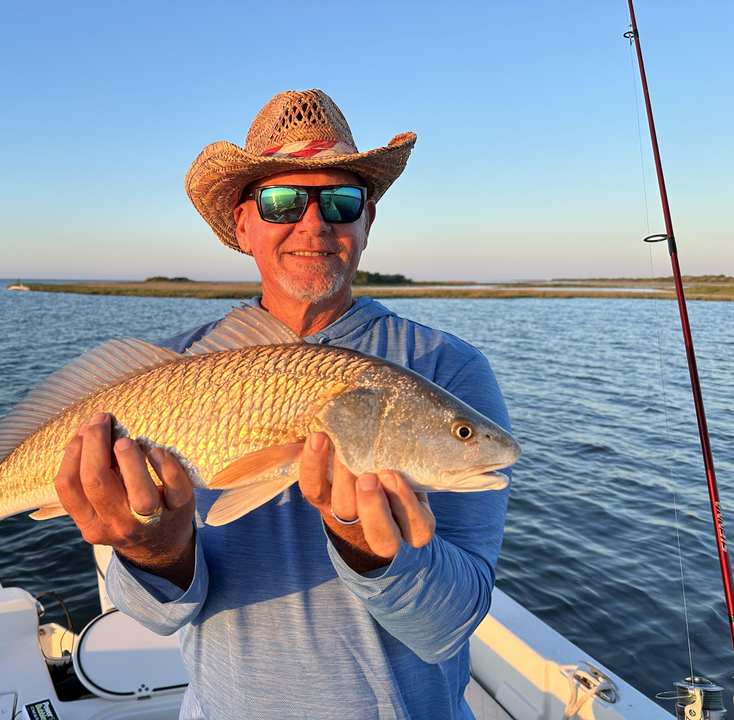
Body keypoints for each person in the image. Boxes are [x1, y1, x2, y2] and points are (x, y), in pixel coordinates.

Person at [53, 89, 513, 720]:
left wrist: (372, 549)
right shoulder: (169, 371)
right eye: (281, 201)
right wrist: (154, 550)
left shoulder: (447, 368)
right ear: (243, 224)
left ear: (367, 220)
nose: (314, 223)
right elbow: (153, 618)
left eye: (341, 200)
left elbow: (450, 626)